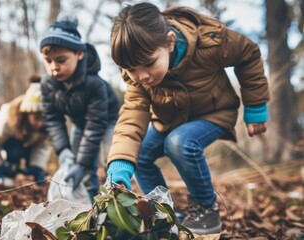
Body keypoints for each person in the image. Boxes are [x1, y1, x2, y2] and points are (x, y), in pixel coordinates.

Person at [105, 2, 269, 235]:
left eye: (149, 63)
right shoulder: (137, 79)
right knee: (139, 152)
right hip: (171, 121)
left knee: (179, 142)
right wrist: (120, 164)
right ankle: (163, 212)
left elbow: (248, 52)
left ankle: (206, 209)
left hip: (214, 113)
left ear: (170, 42)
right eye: (131, 69)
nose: (141, 76)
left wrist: (255, 106)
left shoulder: (209, 42)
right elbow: (132, 117)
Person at [39, 15, 120, 199]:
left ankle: (117, 198)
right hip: (79, 124)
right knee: (75, 164)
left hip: (107, 122)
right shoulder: (47, 84)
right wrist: (63, 151)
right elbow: (52, 119)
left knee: (109, 158)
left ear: (79, 54)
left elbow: (95, 123)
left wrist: (83, 164)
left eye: (61, 60)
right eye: (48, 60)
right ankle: (89, 202)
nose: (54, 67)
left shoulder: (95, 84)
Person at [0, 75, 51, 187]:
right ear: (27, 114)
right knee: (14, 152)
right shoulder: (6, 120)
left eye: (44, 119)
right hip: (9, 146)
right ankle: (7, 174)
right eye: (37, 118)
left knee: (36, 173)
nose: (40, 123)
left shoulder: (43, 127)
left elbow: (43, 146)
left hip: (28, 145)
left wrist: (36, 167)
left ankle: (30, 175)